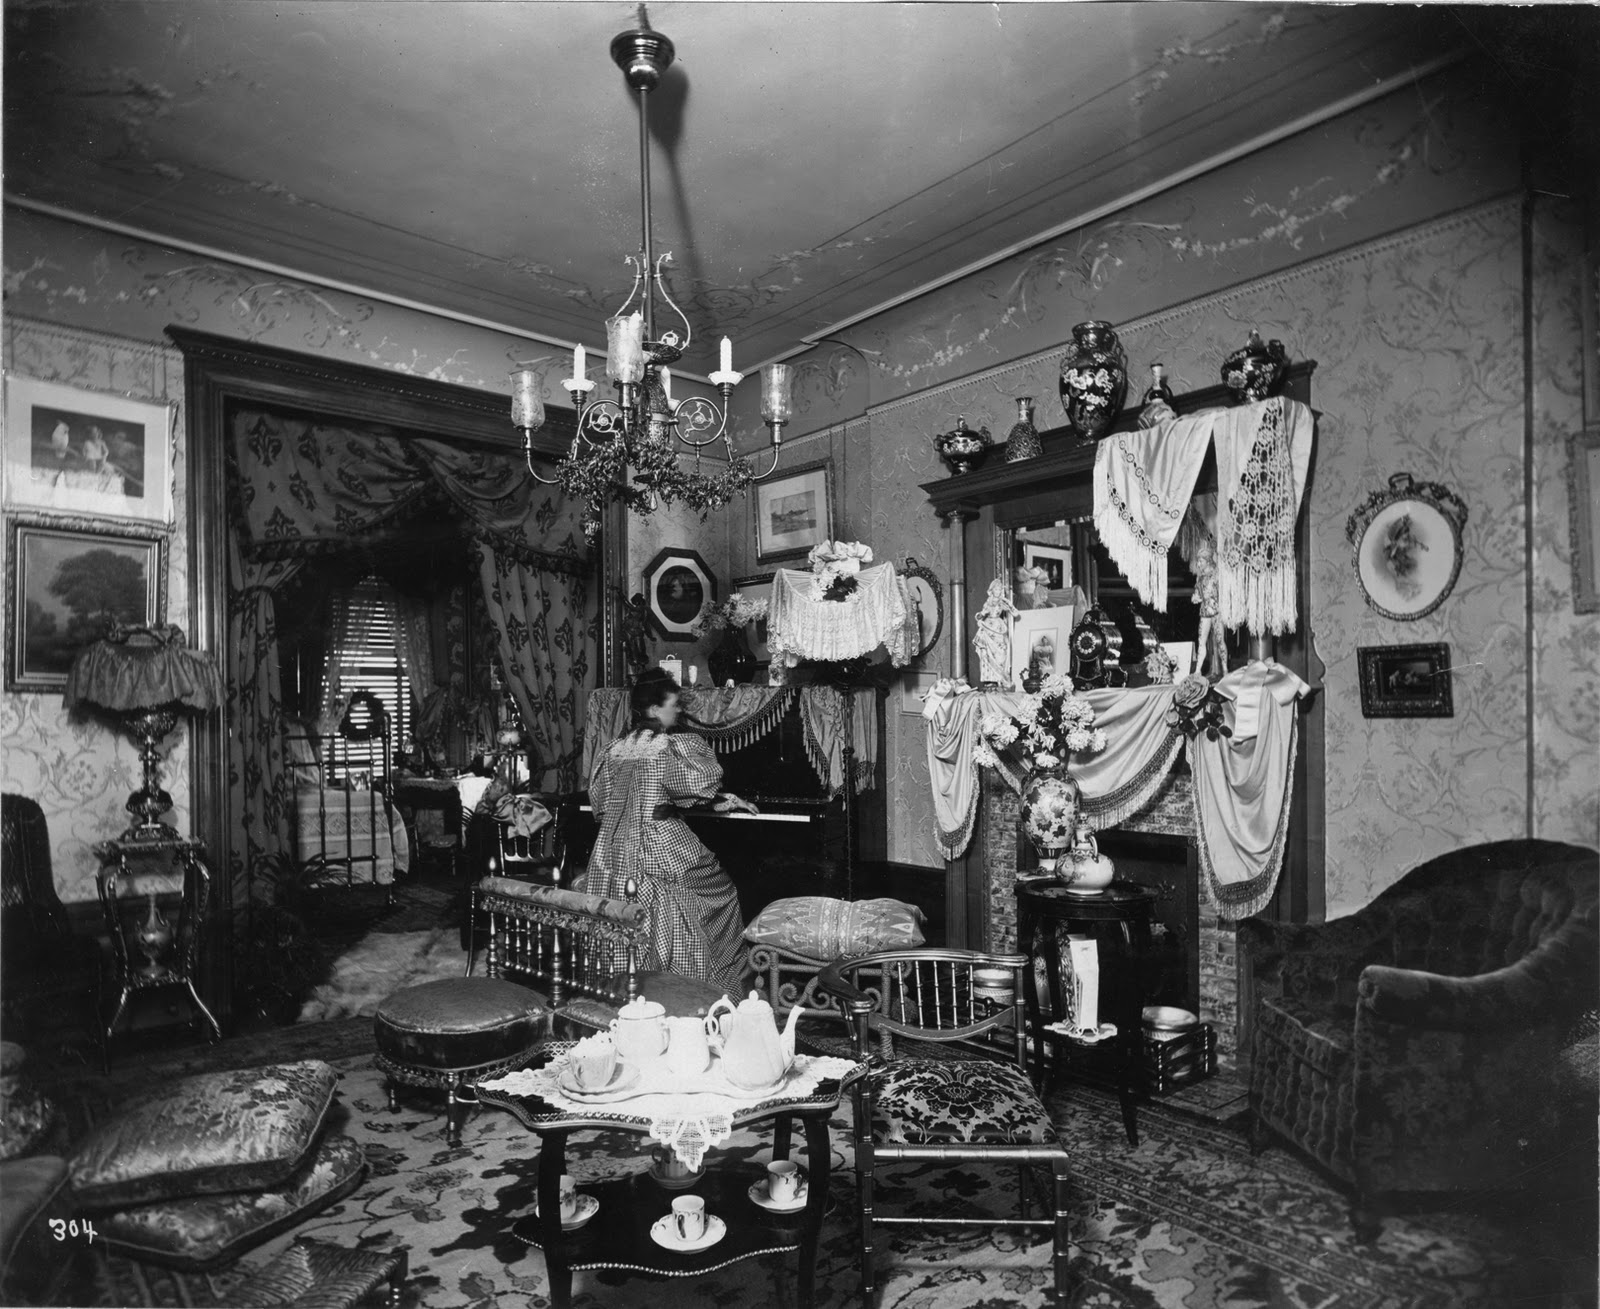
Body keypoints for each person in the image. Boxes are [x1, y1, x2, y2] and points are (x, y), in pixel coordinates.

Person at [577, 669, 756, 992]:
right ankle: (698, 988)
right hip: (660, 846)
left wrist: (718, 800)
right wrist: (721, 798)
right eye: (674, 704)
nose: (679, 710)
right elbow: (693, 787)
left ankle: (631, 986)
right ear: (653, 709)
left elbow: (600, 803)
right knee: (723, 892)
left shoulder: (614, 749)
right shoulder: (669, 747)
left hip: (611, 852)